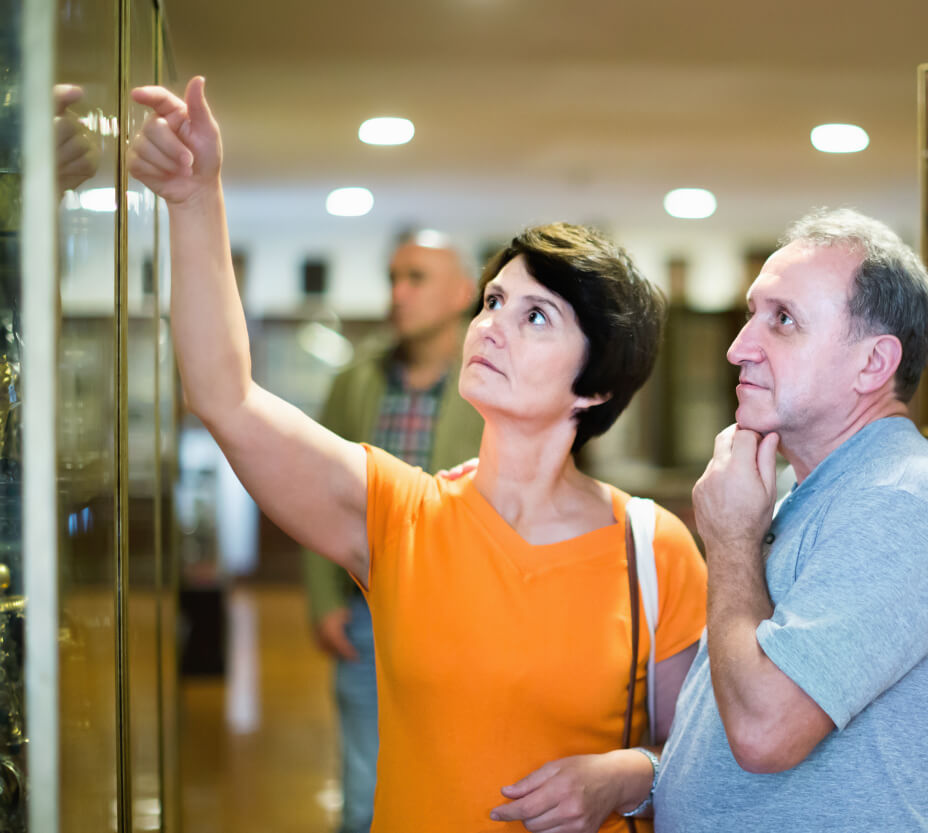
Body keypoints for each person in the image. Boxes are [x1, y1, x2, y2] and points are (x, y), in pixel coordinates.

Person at [127, 77, 707, 833]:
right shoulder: (401, 514)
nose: (492, 325)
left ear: (595, 385)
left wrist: (631, 772)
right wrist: (194, 199)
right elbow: (225, 396)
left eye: (536, 315)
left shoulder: (652, 550)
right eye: (494, 300)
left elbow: (704, 755)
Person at [655, 208, 928, 832]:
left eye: (782, 320)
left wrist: (732, 540)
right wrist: (642, 778)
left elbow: (765, 732)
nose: (739, 347)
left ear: (873, 364)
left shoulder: (905, 500)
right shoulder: (802, 492)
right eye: (753, 312)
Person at [301, 233, 483, 833]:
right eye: (394, 278)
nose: (398, 293)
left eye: (417, 278)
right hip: (367, 612)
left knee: (462, 777)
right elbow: (318, 493)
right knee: (363, 791)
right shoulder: (356, 382)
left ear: (462, 293)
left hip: (465, 615)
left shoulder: (491, 381)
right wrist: (325, 601)